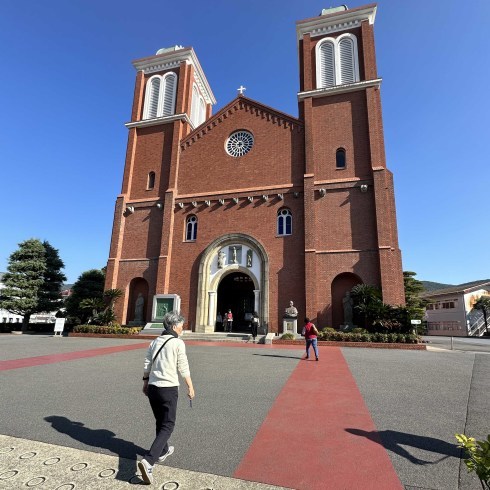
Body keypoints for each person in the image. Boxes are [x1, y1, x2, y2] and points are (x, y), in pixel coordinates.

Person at [138, 312, 195, 485]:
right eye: (181, 326)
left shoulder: (155, 341)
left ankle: (163, 451)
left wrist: (145, 382)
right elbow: (183, 366)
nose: (182, 328)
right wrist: (190, 386)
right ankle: (149, 461)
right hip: (168, 388)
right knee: (168, 424)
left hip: (153, 388)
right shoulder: (177, 342)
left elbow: (147, 363)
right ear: (173, 326)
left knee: (160, 421)